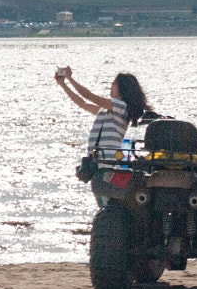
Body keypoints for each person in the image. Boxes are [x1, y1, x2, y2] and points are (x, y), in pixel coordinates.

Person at [54, 68, 154, 196]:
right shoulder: (108, 109)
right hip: (98, 160)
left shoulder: (121, 106)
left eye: (114, 84)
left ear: (123, 88)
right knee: (103, 195)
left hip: (108, 161)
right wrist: (63, 84)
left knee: (107, 195)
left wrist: (70, 78)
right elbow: (82, 103)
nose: (111, 86)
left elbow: (89, 96)